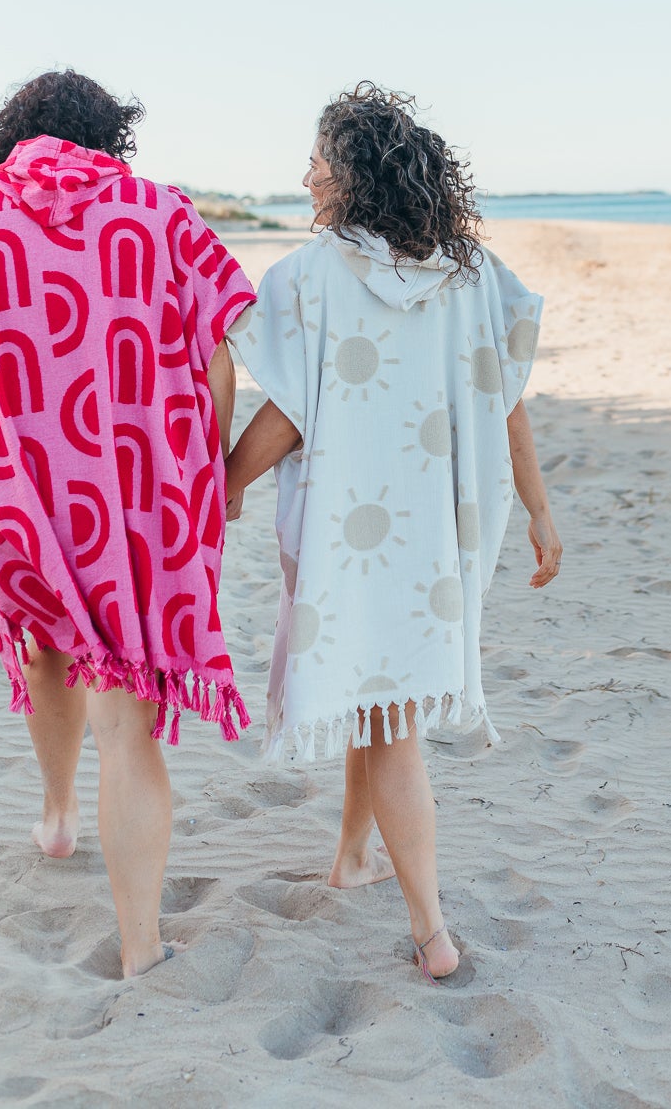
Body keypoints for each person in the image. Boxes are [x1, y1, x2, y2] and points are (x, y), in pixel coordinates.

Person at [0, 70, 256, 977]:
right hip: (132, 496)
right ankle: (141, 948)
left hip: (9, 486)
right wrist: (209, 471)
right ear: (110, 135)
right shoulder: (160, 212)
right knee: (126, 722)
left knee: (45, 638)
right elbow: (219, 352)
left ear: (13, 132)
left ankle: (58, 817)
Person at [224, 82, 562, 982]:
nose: (305, 174)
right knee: (380, 699)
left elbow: (288, 410)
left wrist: (222, 486)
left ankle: (431, 930)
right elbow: (510, 401)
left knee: (389, 717)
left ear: (352, 176)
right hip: (443, 533)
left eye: (318, 160)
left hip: (348, 532)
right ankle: (350, 857)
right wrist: (536, 506)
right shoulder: (475, 273)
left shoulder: (309, 275)